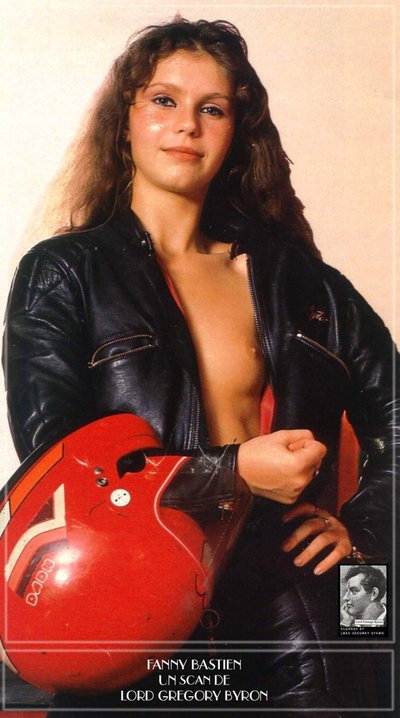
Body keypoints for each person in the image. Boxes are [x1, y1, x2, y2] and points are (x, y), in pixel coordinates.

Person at [2, 17, 398, 717]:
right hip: (128, 613)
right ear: (124, 122)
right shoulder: (64, 274)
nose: (187, 124)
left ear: (237, 133)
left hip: (289, 619)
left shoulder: (300, 282)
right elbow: (57, 472)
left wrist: (366, 536)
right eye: (164, 100)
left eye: (212, 108)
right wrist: (232, 472)